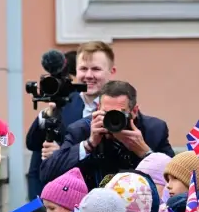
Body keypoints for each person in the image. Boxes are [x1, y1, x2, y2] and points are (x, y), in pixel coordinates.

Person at [40, 80, 175, 189]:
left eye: (118, 114)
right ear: (98, 109)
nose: (112, 119)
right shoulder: (82, 130)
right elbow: (46, 173)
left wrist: (145, 153)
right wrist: (89, 144)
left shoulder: (154, 130)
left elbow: (176, 178)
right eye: (106, 113)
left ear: (134, 111)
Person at [26, 42, 116, 201]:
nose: (88, 75)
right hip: (59, 203)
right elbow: (33, 146)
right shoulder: (62, 105)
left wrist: (60, 156)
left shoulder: (118, 107)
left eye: (95, 69)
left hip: (101, 200)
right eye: (83, 69)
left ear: (112, 72)